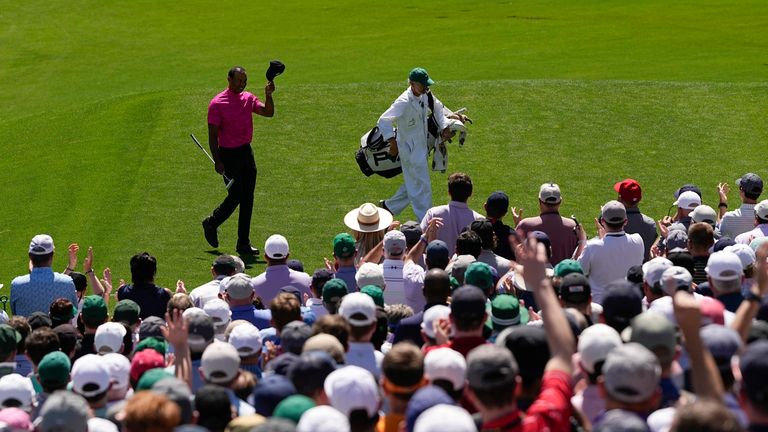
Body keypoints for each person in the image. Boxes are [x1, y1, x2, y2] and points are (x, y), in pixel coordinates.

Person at [202, 65, 275, 255]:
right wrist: (218, 160)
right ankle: (212, 222)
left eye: (244, 81)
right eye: (239, 81)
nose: (242, 85)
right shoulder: (217, 104)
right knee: (236, 195)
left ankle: (243, 242)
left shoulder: (248, 98)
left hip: (246, 153)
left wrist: (268, 95)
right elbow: (212, 136)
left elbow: (268, 112)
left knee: (248, 197)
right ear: (229, 79)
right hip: (228, 155)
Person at [377, 67, 456, 221]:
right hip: (409, 150)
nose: (427, 87)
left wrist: (445, 125)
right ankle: (426, 222)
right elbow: (383, 120)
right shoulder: (403, 102)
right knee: (423, 185)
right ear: (412, 84)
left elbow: (438, 108)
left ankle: (389, 207)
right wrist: (392, 142)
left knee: (414, 182)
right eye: (423, 84)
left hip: (421, 145)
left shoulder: (425, 94)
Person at [11, 234, 78, 318]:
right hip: (58, 331)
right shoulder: (67, 283)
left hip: (27, 331)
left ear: (30, 256)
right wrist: (70, 268)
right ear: (52, 255)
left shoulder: (16, 284)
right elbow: (74, 312)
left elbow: (15, 313)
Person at [516, 183, 583, 265]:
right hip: (564, 276)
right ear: (560, 202)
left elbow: (515, 253)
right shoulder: (572, 226)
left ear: (540, 201)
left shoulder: (525, 225)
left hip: (533, 276)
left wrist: (518, 226)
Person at [420, 172, 483, 256]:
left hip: (436, 266)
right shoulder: (479, 220)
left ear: (449, 192)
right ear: (470, 193)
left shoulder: (434, 213)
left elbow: (419, 240)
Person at [614, 179, 657, 261]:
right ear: (639, 199)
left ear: (620, 198)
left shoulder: (612, 223)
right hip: (643, 272)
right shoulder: (650, 224)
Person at [719, 172, 763, 239]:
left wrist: (723, 202)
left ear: (742, 191)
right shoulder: (764, 217)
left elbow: (719, 229)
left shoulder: (728, 217)